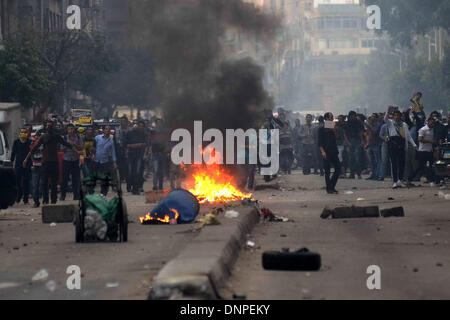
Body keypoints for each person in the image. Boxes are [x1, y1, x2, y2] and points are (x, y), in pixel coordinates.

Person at [24, 120, 79, 204]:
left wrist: (77, 152)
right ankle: (45, 200)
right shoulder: (43, 137)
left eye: (50, 125)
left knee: (54, 184)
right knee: (44, 183)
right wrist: (26, 159)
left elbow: (67, 144)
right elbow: (34, 148)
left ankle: (53, 201)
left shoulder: (56, 136)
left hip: (54, 163)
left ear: (53, 127)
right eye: (47, 125)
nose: (48, 127)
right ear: (45, 126)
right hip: (45, 163)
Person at [384, 107, 417, 189]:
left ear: (401, 116)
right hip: (393, 144)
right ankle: (395, 181)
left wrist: (414, 145)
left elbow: (408, 137)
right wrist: (388, 111)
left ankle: (400, 180)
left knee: (402, 163)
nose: (396, 117)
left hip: (402, 144)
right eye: (395, 115)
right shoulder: (390, 123)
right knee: (394, 163)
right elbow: (385, 118)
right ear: (393, 116)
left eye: (398, 115)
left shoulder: (404, 125)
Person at [408, 117, 437, 186]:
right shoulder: (423, 129)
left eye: (433, 123)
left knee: (431, 166)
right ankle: (409, 178)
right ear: (428, 122)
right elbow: (420, 139)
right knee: (420, 167)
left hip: (429, 150)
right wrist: (430, 142)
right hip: (423, 151)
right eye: (431, 122)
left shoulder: (433, 130)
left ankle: (432, 180)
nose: (432, 124)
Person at [318, 113, 341, 194]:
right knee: (327, 171)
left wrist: (334, 130)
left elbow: (337, 137)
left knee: (338, 168)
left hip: (334, 151)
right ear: (326, 118)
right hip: (326, 151)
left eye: (332, 117)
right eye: (330, 117)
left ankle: (332, 185)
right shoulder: (321, 128)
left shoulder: (333, 127)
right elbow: (319, 142)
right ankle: (329, 188)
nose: (332, 119)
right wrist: (323, 151)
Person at [126, 120, 149, 195]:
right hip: (131, 155)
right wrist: (136, 145)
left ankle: (136, 189)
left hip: (140, 155)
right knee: (131, 172)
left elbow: (145, 144)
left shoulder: (142, 134)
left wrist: (138, 146)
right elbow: (126, 144)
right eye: (135, 124)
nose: (136, 126)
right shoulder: (129, 133)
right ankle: (131, 187)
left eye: (137, 124)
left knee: (138, 172)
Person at [60, 124, 83, 201]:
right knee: (64, 179)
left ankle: (76, 195)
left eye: (72, 129)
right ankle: (63, 195)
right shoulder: (64, 138)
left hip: (75, 160)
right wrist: (67, 145)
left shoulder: (79, 137)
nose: (70, 130)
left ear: (74, 129)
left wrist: (74, 144)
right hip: (66, 160)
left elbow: (81, 147)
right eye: (69, 129)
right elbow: (62, 149)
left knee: (75, 179)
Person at [93, 125, 117, 196]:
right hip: (96, 160)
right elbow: (93, 147)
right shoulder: (97, 138)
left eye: (109, 129)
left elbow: (113, 152)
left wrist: (114, 162)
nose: (107, 130)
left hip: (105, 161)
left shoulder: (111, 141)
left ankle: (103, 192)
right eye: (106, 129)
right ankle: (91, 191)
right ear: (103, 130)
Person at [11, 128, 32, 205]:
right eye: (22, 132)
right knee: (18, 182)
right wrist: (11, 164)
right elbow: (13, 154)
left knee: (26, 182)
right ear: (20, 133)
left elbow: (32, 153)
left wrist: (32, 164)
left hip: (27, 165)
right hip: (18, 165)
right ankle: (19, 196)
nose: (23, 134)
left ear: (27, 133)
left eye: (25, 132)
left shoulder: (29, 142)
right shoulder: (16, 142)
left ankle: (25, 199)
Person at [343, 111, 365, 179]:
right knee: (351, 158)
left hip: (357, 141)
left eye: (353, 116)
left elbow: (361, 132)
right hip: (350, 141)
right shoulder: (347, 123)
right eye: (351, 116)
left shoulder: (358, 123)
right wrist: (347, 141)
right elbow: (344, 133)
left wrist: (362, 141)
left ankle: (358, 173)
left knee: (357, 158)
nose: (352, 117)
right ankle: (352, 173)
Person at [151, 119, 169, 190]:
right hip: (155, 154)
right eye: (157, 123)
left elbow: (167, 142)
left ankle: (160, 186)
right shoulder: (152, 132)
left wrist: (166, 149)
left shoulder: (165, 132)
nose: (159, 124)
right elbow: (151, 142)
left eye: (160, 123)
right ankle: (155, 185)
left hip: (162, 154)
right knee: (156, 170)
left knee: (161, 171)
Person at [364, 113, 383, 180]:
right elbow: (367, 134)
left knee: (377, 160)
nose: (372, 118)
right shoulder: (370, 125)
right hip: (370, 144)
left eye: (374, 116)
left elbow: (375, 131)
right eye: (371, 116)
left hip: (376, 144)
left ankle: (378, 175)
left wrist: (368, 125)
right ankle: (373, 174)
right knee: (372, 161)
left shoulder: (378, 124)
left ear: (376, 118)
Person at [30, 131, 44, 208]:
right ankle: (36, 202)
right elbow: (31, 155)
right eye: (36, 137)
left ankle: (44, 199)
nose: (37, 138)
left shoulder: (44, 145)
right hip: (35, 167)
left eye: (39, 137)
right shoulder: (32, 144)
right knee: (35, 185)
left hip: (43, 166)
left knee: (42, 184)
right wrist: (32, 164)